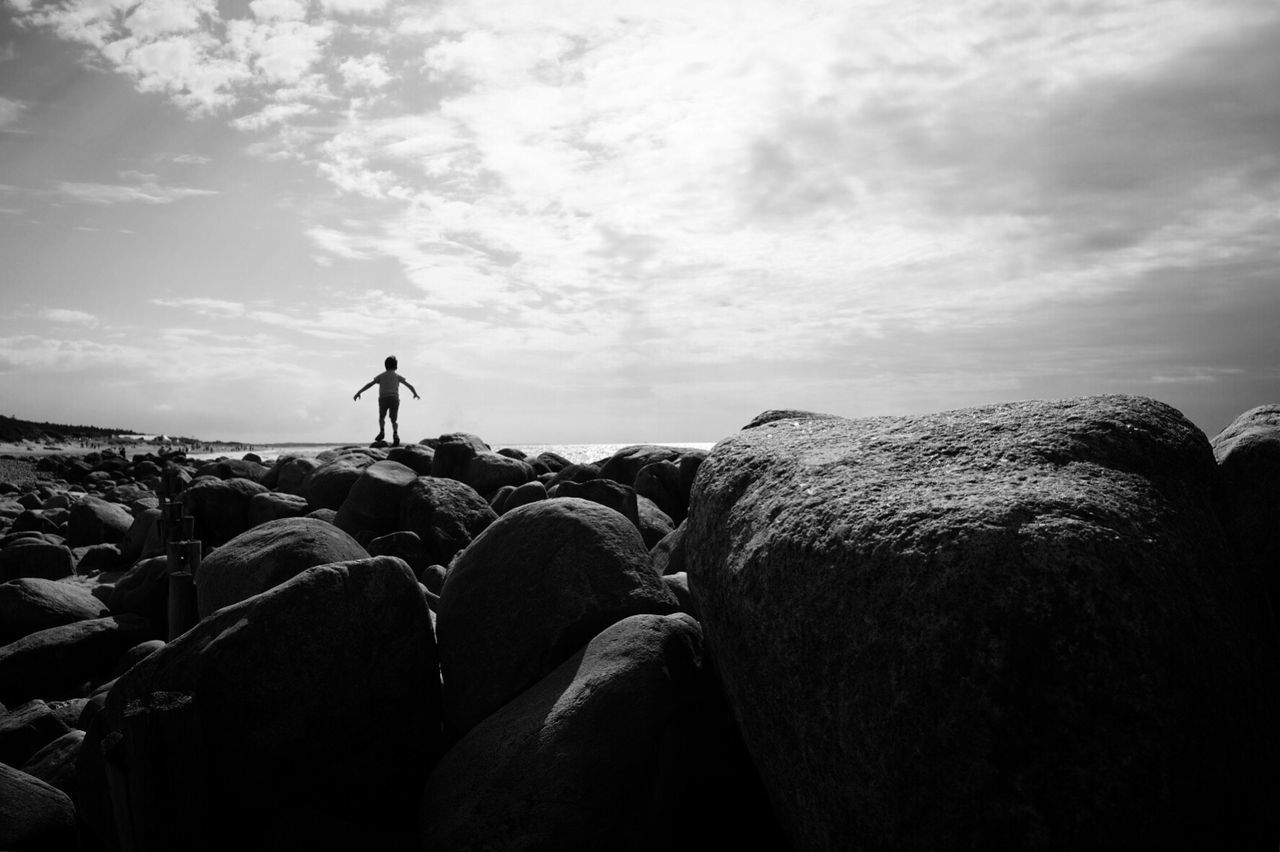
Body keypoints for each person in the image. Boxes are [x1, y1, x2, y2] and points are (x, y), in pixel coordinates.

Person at [354, 355, 420, 445]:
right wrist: (415, 393)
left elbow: (369, 384)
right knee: (394, 419)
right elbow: (409, 385)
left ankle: (382, 431)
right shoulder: (397, 376)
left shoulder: (381, 376)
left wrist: (359, 392)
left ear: (385, 366)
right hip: (394, 398)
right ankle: (395, 434)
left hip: (383, 398)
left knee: (382, 417)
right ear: (396, 366)